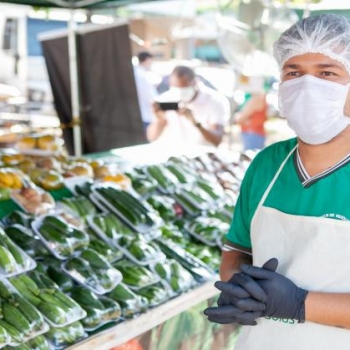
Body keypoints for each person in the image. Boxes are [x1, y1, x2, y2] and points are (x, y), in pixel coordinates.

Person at [204, 13, 350, 350]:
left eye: (327, 73)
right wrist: (241, 288)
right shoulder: (268, 164)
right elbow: (236, 252)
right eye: (294, 73)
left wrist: (299, 304)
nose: (307, 86)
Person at [147, 65, 230, 148]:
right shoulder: (164, 99)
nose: (180, 92)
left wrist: (195, 123)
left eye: (184, 87)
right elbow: (152, 137)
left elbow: (217, 140)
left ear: (195, 82)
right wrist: (159, 120)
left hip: (201, 156)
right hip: (173, 155)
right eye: (176, 88)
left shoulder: (215, 100)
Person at [133, 51, 158, 130]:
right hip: (145, 114)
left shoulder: (140, 73)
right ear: (147, 59)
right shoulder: (140, 75)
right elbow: (149, 96)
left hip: (144, 113)